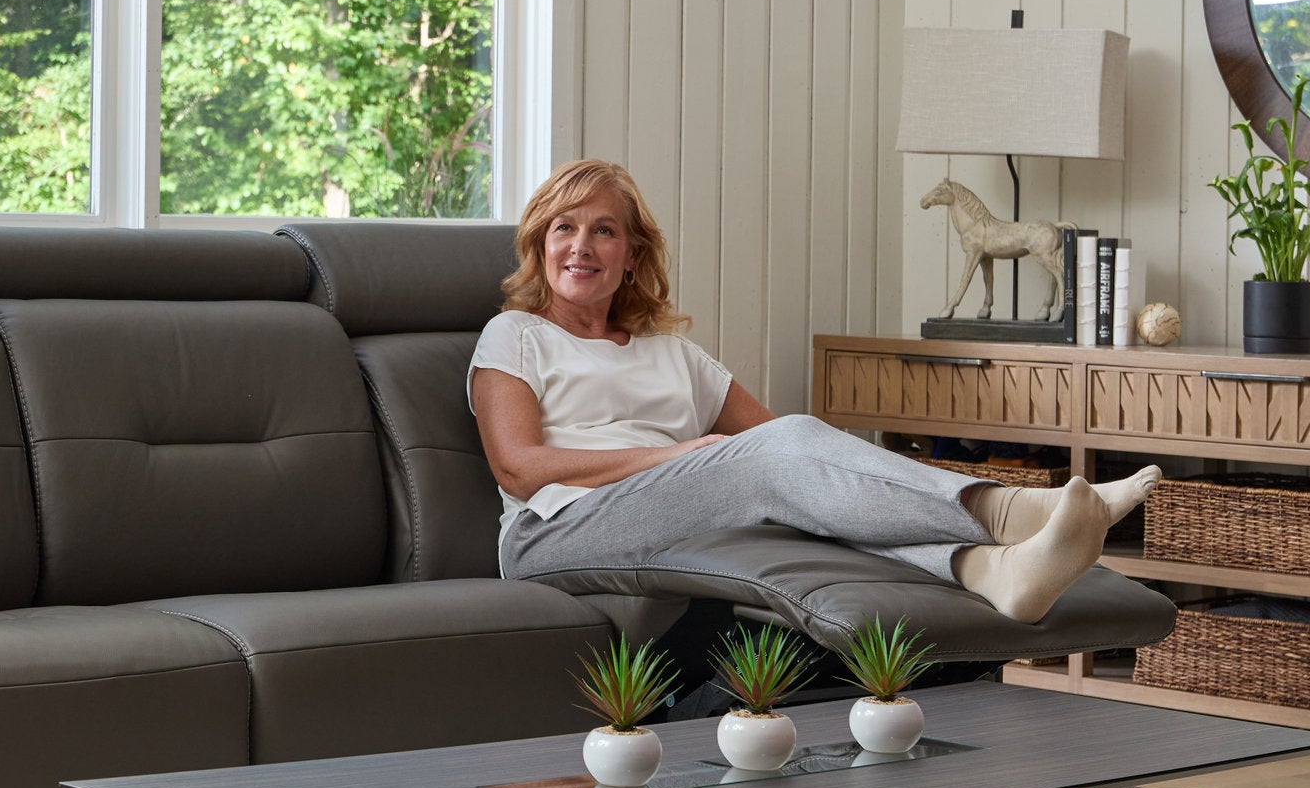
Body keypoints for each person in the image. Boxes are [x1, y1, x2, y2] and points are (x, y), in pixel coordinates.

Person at [470, 158, 1159, 626]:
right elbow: (519, 469)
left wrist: (705, 466)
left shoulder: (672, 354)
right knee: (783, 457)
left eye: (603, 230)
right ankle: (1012, 512)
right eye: (564, 227)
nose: (580, 246)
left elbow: (800, 461)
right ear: (539, 243)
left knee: (816, 488)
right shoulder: (516, 335)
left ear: (631, 254)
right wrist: (670, 460)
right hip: (556, 532)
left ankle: (986, 569)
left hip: (672, 513)